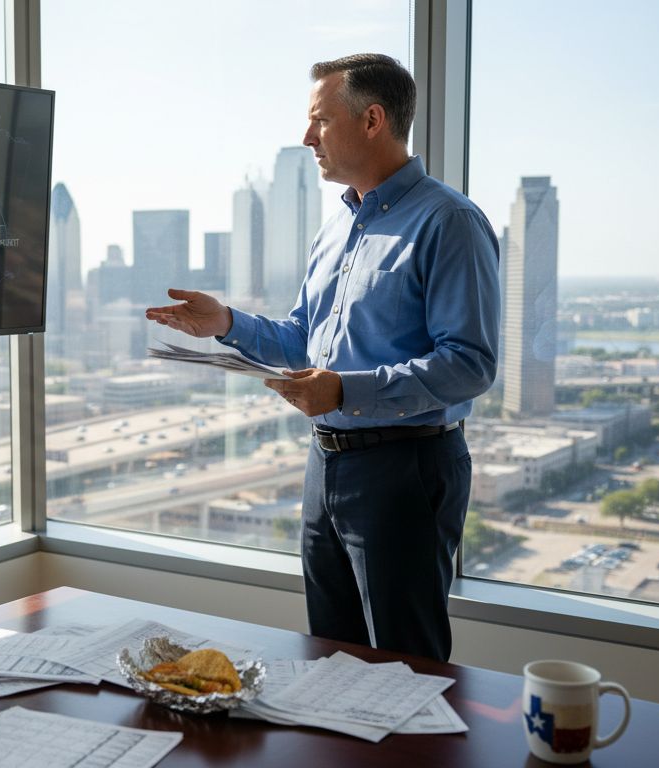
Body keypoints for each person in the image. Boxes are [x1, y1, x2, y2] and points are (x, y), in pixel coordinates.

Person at [145, 54, 499, 662]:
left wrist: (345, 392)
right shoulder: (337, 227)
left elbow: (470, 363)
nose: (307, 137)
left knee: (404, 665)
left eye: (320, 120)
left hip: (406, 469)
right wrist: (226, 323)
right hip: (326, 466)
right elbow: (303, 341)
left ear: (372, 120)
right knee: (330, 658)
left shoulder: (450, 223)